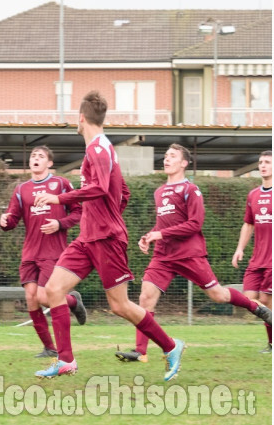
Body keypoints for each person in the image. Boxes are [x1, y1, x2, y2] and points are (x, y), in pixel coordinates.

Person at [32, 91, 184, 381]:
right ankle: (65, 361)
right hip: (88, 237)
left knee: (119, 305)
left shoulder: (98, 149)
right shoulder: (101, 148)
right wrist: (105, 213)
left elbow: (101, 188)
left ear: (80, 118)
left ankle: (171, 346)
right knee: (53, 291)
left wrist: (59, 199)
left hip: (106, 239)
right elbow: (121, 191)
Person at [115, 145, 272, 363]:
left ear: (184, 163)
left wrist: (159, 233)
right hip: (163, 256)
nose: (166, 159)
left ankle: (255, 307)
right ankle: (140, 351)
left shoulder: (191, 190)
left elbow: (195, 224)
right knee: (145, 297)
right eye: (166, 156)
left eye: (173, 156)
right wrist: (149, 236)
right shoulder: (159, 191)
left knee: (218, 295)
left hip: (190, 254)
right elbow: (163, 224)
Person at [0, 145, 85, 358]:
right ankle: (49, 347)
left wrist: (59, 223)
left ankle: (73, 301)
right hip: (30, 252)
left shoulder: (60, 183)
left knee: (44, 296)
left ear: (49, 163)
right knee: (31, 298)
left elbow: (79, 212)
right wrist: (4, 221)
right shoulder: (21, 189)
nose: (35, 158)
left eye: (41, 156)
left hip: (53, 251)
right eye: (33, 156)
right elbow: (12, 219)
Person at [232, 150, 273, 353]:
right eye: (260, 162)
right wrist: (239, 249)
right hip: (257, 259)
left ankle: (272, 344)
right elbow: (248, 224)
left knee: (266, 302)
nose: (263, 165)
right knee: (249, 300)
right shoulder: (253, 195)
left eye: (267, 162)